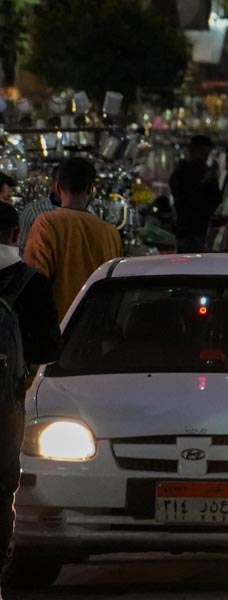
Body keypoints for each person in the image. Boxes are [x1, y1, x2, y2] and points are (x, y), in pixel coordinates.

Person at [0, 201, 62, 577]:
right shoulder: (32, 282)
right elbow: (49, 349)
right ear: (16, 235)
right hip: (7, 402)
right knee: (3, 484)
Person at [23, 157, 123, 319]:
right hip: (96, 327)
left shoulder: (47, 223)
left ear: (57, 187)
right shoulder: (111, 233)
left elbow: (34, 283)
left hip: (59, 328)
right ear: (90, 189)